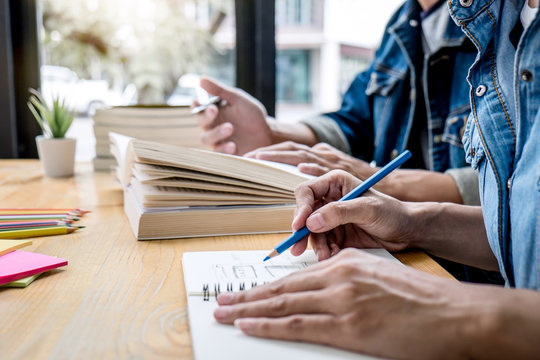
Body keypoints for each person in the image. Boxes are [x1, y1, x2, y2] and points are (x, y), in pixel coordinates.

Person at [211, 0, 540, 358]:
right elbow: (525, 228)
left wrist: (458, 311)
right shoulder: (417, 22)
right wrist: (411, 222)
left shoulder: (490, 21)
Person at [197, 0, 480, 205]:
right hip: (408, 249)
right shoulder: (402, 25)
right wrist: (272, 133)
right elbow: (358, 121)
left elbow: (513, 188)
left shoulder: (500, 23)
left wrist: (383, 181)